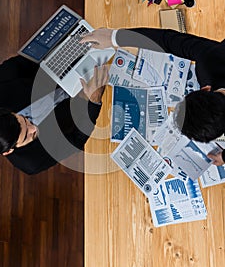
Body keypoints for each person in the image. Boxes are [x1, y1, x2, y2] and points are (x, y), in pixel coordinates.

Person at [80, 27, 225, 166]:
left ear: (206, 89)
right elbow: (167, 41)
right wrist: (114, 37)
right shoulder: (215, 58)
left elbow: (169, 40)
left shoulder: (211, 60)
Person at [0, 55, 109, 174]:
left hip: (58, 69)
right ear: (8, 151)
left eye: (24, 119)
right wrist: (94, 100)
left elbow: (22, 62)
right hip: (79, 105)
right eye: (26, 135)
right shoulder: (32, 162)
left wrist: (57, 63)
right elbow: (76, 141)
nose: (34, 128)